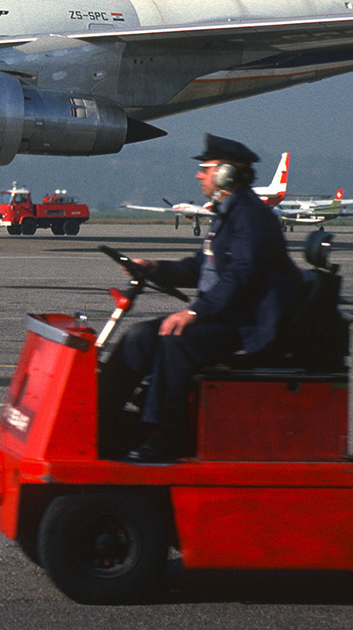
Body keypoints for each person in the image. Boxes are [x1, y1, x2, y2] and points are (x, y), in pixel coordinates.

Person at [101, 135, 305, 462]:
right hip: (225, 315)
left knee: (175, 338)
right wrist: (156, 267)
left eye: (205, 169)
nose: (199, 175)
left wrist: (194, 313)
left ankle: (164, 436)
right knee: (139, 337)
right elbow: (202, 266)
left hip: (248, 323)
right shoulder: (227, 213)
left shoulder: (250, 215)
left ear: (225, 174)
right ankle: (98, 420)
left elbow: (243, 274)